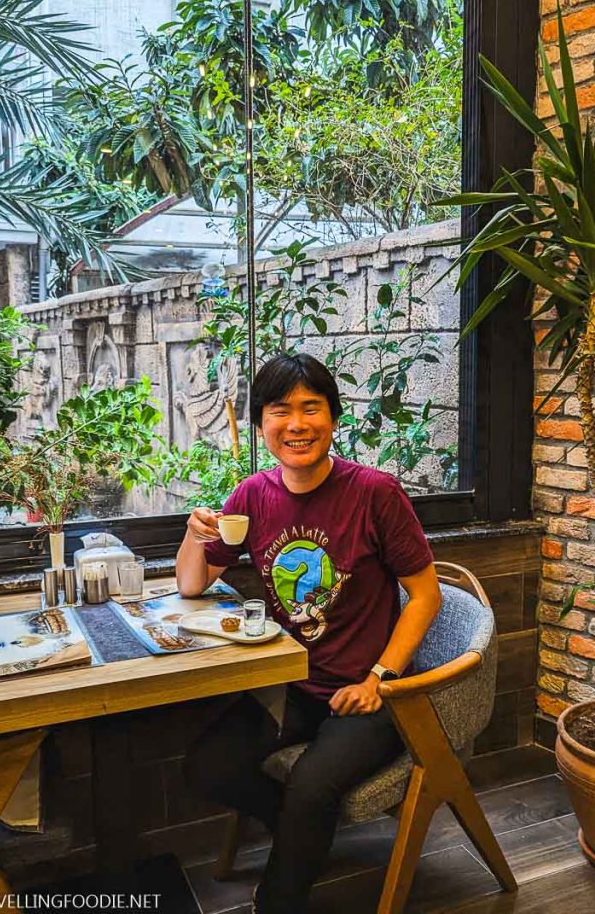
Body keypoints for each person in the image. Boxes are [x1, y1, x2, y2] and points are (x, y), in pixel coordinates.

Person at [176, 352, 441, 914]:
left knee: (312, 787)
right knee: (206, 767)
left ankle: (279, 897)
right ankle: (301, 830)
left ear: (333, 417)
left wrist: (380, 677)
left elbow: (426, 595)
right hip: (293, 683)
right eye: (280, 411)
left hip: (367, 695)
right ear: (261, 425)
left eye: (310, 408)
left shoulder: (374, 492)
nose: (296, 424)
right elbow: (193, 586)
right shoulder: (251, 496)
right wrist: (192, 533)